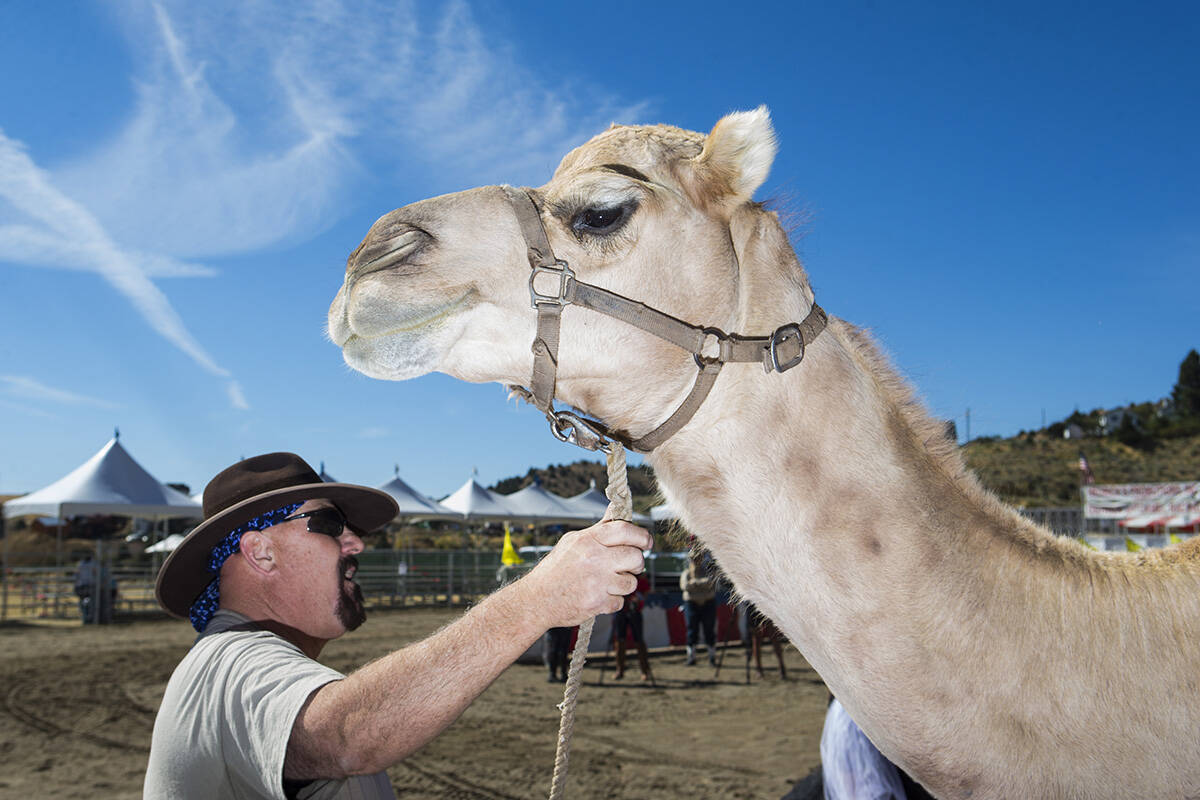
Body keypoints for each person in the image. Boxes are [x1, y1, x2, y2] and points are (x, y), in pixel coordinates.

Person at [144, 452, 651, 799]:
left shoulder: (226, 663)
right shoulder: (230, 663)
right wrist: (536, 599)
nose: (356, 544)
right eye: (329, 526)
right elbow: (342, 735)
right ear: (260, 551)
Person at [612, 571, 653, 681]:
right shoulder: (619, 576)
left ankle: (645, 670)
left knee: (639, 640)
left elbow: (646, 590)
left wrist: (638, 598)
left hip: (635, 611)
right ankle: (619, 669)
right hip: (621, 610)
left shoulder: (639, 577)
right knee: (620, 640)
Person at [679, 550, 717, 666]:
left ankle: (711, 657)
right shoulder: (686, 573)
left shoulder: (707, 571)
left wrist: (695, 584)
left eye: (698, 557)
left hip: (707, 603)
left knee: (709, 630)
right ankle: (691, 657)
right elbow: (685, 586)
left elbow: (712, 583)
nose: (696, 560)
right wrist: (702, 584)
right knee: (692, 630)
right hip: (692, 603)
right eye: (694, 558)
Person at [742, 602, 787, 680]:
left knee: (773, 636)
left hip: (765, 603)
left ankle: (781, 666)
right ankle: (759, 669)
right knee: (757, 638)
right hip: (753, 604)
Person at [74, 554, 97, 624]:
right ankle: (87, 617)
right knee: (87, 601)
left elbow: (77, 574)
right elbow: (95, 573)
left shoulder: (80, 564)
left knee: (84, 602)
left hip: (82, 585)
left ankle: (85, 617)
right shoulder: (92, 563)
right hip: (88, 586)